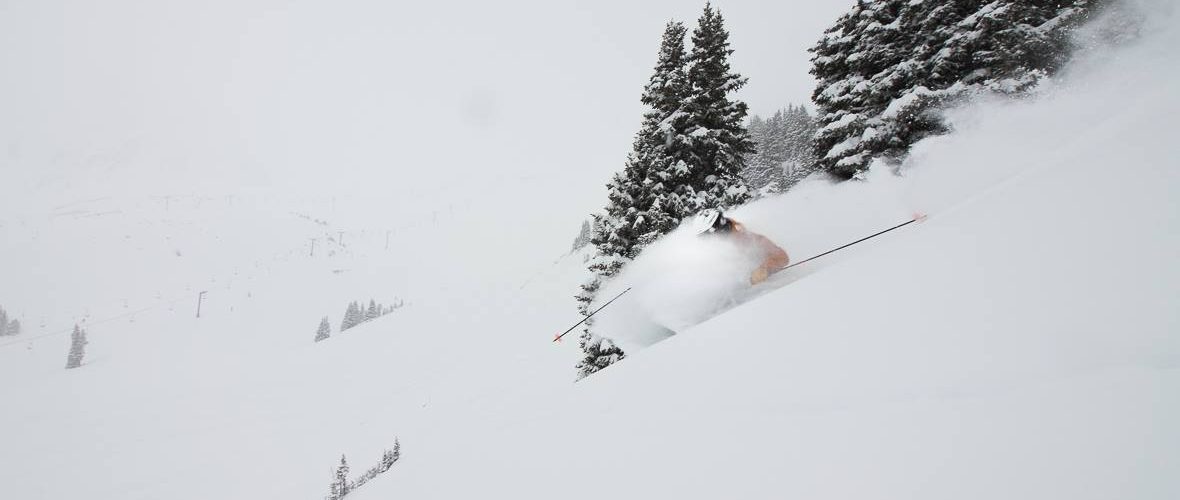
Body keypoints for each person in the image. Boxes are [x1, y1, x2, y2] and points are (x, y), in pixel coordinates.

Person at [696, 209, 789, 284]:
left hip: (765, 286)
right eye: (704, 237)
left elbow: (782, 257)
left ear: (720, 229)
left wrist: (763, 269)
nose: (708, 240)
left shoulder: (747, 239)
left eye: (708, 236)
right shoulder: (713, 251)